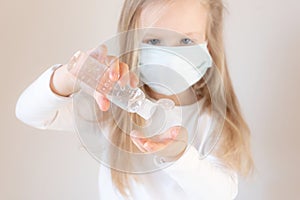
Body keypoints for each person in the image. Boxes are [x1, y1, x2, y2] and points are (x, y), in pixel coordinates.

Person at [15, 0, 254, 199]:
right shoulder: (109, 106)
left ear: (209, 47)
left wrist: (179, 156)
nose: (170, 55)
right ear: (132, 43)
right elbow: (29, 113)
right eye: (153, 41)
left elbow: (222, 193)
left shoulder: (209, 118)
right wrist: (70, 76)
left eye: (186, 41)